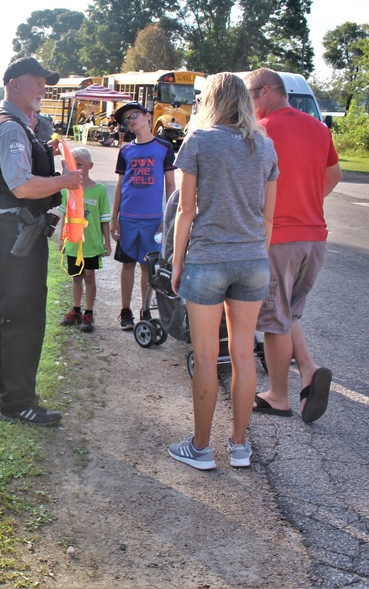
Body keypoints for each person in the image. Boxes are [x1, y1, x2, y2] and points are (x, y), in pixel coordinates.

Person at [166, 73, 278, 471]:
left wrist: (177, 262)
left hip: (208, 260)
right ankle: (240, 445)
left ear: (210, 100)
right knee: (244, 355)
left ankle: (200, 448)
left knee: (207, 355)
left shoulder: (199, 141)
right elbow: (268, 217)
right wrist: (254, 256)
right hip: (252, 261)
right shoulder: (264, 147)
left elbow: (185, 209)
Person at [0, 57, 83, 426]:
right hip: (18, 236)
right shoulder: (10, 128)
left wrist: (48, 161)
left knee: (7, 314)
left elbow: (22, 174)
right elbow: (22, 186)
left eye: (45, 82)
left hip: (15, 233)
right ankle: (17, 401)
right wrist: (65, 180)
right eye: (37, 81)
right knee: (23, 318)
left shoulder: (19, 126)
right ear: (13, 85)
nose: (44, 88)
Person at [245, 68, 342, 422]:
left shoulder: (263, 130)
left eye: (249, 97)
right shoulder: (319, 128)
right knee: (287, 311)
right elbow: (334, 175)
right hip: (315, 238)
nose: (249, 105)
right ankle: (309, 371)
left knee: (272, 320)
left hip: (279, 238)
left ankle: (279, 396)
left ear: (265, 92)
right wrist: (307, 199)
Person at [110, 101, 176, 331]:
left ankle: (145, 309)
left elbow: (170, 185)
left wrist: (167, 219)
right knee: (127, 264)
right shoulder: (126, 150)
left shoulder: (164, 148)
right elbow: (120, 185)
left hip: (153, 219)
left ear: (148, 116)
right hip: (127, 217)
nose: (131, 121)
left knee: (147, 266)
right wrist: (114, 217)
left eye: (135, 115)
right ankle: (125, 310)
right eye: (127, 120)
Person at [58, 146, 111, 332]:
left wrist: (107, 242)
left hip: (92, 243)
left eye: (79, 164)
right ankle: (76, 310)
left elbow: (104, 218)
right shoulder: (68, 189)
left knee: (89, 276)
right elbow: (65, 215)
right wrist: (61, 237)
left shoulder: (99, 190)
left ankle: (88, 313)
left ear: (90, 166)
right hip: (73, 242)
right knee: (76, 276)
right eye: (73, 164)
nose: (76, 168)